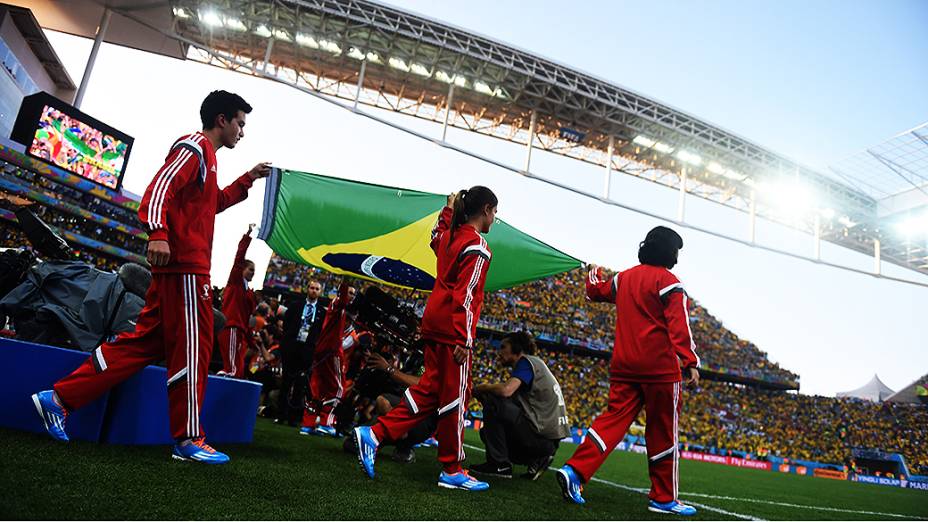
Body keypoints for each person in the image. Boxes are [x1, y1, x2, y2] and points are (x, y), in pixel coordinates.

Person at [31, 90, 271, 464]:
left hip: (183, 267)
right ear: (222, 120)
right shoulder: (194, 147)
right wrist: (157, 232)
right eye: (240, 123)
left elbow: (212, 203)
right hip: (187, 268)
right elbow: (159, 189)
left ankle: (58, 398)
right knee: (195, 350)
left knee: (140, 344)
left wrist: (248, 179)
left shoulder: (206, 159)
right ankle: (189, 438)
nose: (243, 131)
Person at [354, 186, 498, 492]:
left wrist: (448, 210)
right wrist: (465, 338)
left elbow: (435, 235)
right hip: (451, 330)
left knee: (431, 392)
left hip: (434, 323)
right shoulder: (478, 246)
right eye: (495, 212)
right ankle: (452, 469)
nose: (495, 218)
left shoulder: (450, 237)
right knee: (457, 396)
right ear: (486, 209)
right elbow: (466, 295)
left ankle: (375, 435)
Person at [555, 226, 701, 516]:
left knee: (611, 422)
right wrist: (691, 362)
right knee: (663, 433)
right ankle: (663, 498)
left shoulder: (624, 278)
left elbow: (594, 291)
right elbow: (678, 327)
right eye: (677, 251)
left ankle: (575, 471)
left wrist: (593, 273)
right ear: (669, 252)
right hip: (660, 370)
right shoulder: (670, 282)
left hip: (624, 366)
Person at [471, 332, 570, 481]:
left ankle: (499, 465)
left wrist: (483, 388)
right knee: (486, 432)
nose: (499, 352)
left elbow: (506, 391)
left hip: (540, 439)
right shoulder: (537, 365)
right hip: (547, 441)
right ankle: (536, 460)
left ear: (517, 349)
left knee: (493, 398)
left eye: (504, 347)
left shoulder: (526, 362)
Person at [300, 280, 356, 436]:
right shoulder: (339, 304)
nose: (350, 296)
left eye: (353, 293)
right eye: (349, 292)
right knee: (338, 389)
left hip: (322, 349)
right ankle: (327, 422)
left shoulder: (336, 306)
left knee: (317, 388)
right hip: (332, 351)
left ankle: (308, 424)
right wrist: (346, 280)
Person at [277, 279, 328, 425]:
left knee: (300, 385)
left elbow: (320, 332)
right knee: (286, 382)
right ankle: (281, 415)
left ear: (320, 292)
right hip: (292, 347)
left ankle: (294, 418)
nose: (314, 291)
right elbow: (286, 325)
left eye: (317, 289)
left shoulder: (322, 312)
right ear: (307, 289)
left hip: (307, 351)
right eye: (312, 288)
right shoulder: (295, 306)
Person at [217, 224, 258, 378]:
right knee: (233, 369)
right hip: (231, 327)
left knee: (237, 368)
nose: (253, 273)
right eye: (250, 269)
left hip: (239, 330)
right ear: (242, 269)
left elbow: (246, 318)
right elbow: (239, 258)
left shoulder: (248, 291)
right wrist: (247, 237)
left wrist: (252, 341)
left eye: (254, 271)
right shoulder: (236, 282)